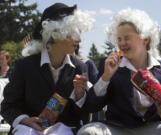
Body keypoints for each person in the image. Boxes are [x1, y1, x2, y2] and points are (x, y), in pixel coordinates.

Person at [76, 8, 161, 135]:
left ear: (145, 39)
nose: (122, 43)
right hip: (120, 130)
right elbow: (92, 106)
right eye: (119, 39)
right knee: (88, 132)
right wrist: (106, 77)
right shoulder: (109, 66)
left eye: (127, 38)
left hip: (156, 128)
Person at [0, 2, 95, 135]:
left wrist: (80, 97)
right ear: (55, 34)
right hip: (27, 130)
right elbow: (7, 106)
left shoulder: (79, 67)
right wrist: (25, 120)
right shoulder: (24, 66)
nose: (79, 40)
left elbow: (79, 115)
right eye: (73, 33)